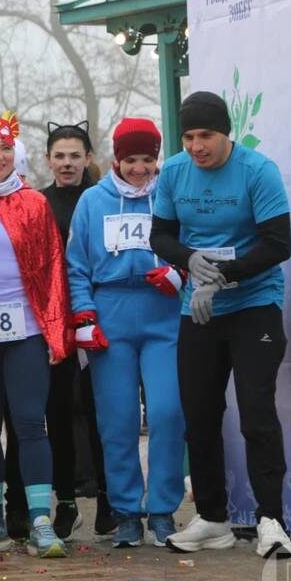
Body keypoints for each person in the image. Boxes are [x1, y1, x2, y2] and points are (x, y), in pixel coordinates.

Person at [151, 92, 291, 558]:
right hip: (200, 310)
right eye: (189, 136)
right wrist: (190, 261)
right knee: (200, 416)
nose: (196, 146)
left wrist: (224, 276)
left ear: (225, 133)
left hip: (255, 304)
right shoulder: (173, 171)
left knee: (256, 412)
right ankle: (213, 518)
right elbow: (161, 235)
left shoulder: (258, 171)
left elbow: (278, 244)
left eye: (205, 135)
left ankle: (271, 519)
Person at [0, 111, 72, 558]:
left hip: (24, 330)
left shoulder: (34, 204)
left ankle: (41, 519)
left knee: (29, 421)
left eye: (5, 149)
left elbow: (54, 269)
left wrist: (57, 331)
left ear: (17, 155)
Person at [66, 118, 186, 548]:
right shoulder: (93, 202)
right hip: (112, 312)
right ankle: (127, 511)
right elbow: (76, 264)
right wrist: (84, 315)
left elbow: (191, 245)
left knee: (168, 412)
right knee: (117, 419)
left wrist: (179, 273)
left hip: (163, 314)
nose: (139, 168)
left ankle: (164, 508)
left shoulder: (170, 194)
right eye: (131, 159)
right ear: (116, 158)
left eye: (148, 159)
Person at [42, 121, 116, 540]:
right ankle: (66, 502)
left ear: (88, 158)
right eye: (59, 156)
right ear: (49, 160)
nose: (67, 163)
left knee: (99, 410)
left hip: (97, 320)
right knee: (57, 412)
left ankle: (108, 498)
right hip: (54, 323)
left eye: (75, 156)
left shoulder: (102, 199)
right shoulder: (39, 202)